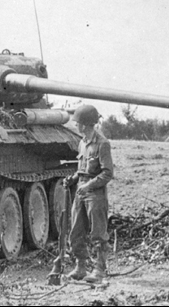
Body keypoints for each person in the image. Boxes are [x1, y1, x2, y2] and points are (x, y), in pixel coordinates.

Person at [63, 104, 114, 283]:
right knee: (76, 231)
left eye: (77, 123)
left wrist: (89, 186)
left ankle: (99, 270)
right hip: (81, 191)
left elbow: (107, 173)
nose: (75, 125)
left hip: (95, 194)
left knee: (98, 233)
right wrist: (73, 178)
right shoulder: (82, 143)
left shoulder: (102, 144)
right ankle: (80, 267)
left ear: (84, 125)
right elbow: (82, 169)